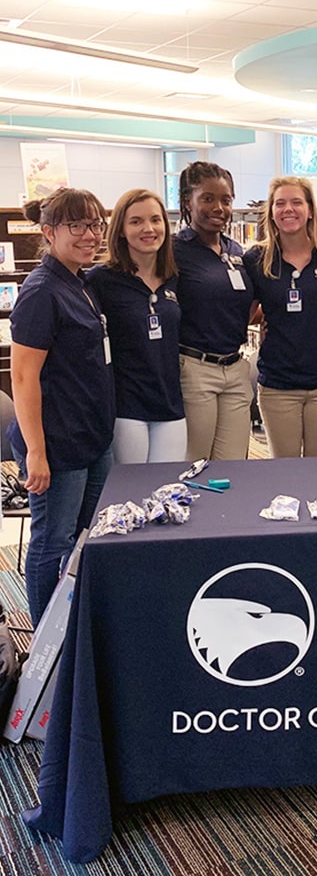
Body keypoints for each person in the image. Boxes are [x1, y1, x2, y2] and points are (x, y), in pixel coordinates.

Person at [8, 188, 115, 628]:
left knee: (86, 536)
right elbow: (22, 378)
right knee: (52, 541)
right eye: (78, 226)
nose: (90, 235)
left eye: (95, 224)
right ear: (49, 232)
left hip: (91, 437)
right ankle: (43, 639)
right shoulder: (41, 291)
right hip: (56, 444)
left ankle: (72, 622)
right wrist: (36, 451)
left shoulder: (80, 281)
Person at [244, 176, 317, 457]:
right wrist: (274, 315)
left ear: (311, 209)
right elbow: (246, 312)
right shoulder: (256, 259)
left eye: (296, 202)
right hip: (279, 384)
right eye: (280, 203)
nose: (288, 209)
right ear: (271, 212)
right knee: (284, 471)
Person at [87, 189, 186, 464]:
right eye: (136, 221)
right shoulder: (101, 281)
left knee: (167, 491)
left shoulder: (175, 277)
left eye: (156, 220)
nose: (148, 228)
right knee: (130, 495)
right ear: (120, 230)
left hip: (170, 405)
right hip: (126, 408)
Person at [173, 162, 255, 461]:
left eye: (226, 199)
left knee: (233, 467)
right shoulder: (172, 252)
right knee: (194, 465)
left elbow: (247, 305)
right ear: (187, 202)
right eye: (207, 198)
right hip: (195, 369)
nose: (218, 207)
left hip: (235, 368)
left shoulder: (236, 252)